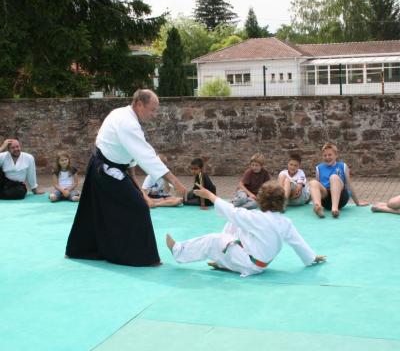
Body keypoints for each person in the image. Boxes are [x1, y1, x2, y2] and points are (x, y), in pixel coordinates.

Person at [65, 89, 186, 267]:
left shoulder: (122, 115)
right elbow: (147, 156)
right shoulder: (126, 122)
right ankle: (140, 257)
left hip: (107, 168)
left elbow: (130, 157)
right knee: (138, 208)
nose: (154, 115)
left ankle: (87, 249)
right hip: (105, 170)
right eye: (152, 109)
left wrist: (137, 187)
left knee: (101, 210)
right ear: (139, 104)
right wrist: (175, 182)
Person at [166, 181, 326, 277]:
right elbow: (298, 243)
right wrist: (312, 257)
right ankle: (223, 261)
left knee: (214, 239)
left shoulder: (258, 218)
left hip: (249, 262)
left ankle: (179, 250)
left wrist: (210, 196)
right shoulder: (284, 221)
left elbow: (231, 210)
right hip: (257, 262)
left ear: (261, 199)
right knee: (233, 223)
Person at [309, 142, 368, 218]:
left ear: (336, 155)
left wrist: (357, 202)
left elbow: (349, 185)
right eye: (325, 155)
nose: (327, 157)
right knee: (313, 182)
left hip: (341, 197)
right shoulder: (319, 168)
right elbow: (317, 188)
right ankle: (318, 207)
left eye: (330, 155)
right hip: (326, 200)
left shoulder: (343, 166)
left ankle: (335, 209)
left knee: (334, 177)